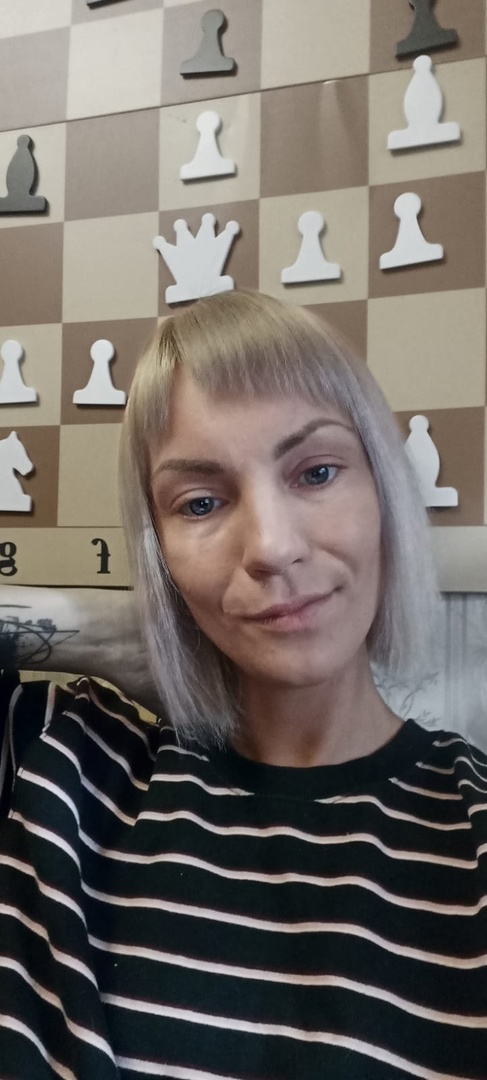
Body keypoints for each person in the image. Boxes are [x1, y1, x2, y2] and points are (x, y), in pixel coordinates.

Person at [0, 290, 486, 1080]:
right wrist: (117, 632)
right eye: (200, 503)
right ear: (158, 546)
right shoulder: (67, 760)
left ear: (384, 494)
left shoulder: (468, 829)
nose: (270, 546)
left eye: (316, 472)